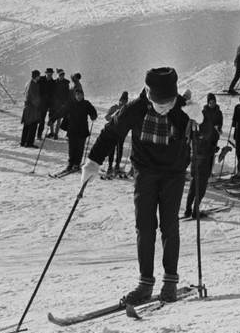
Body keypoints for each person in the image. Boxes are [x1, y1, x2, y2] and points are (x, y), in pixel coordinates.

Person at [82, 67, 194, 305]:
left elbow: (205, 137)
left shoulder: (183, 109)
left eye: (169, 103)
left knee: (169, 224)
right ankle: (145, 284)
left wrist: (201, 119)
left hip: (174, 173)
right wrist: (93, 161)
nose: (164, 108)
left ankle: (170, 282)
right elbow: (111, 133)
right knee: (144, 225)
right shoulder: (135, 109)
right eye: (159, 104)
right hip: (145, 171)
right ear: (147, 93)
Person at [184, 94, 224, 216]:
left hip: (194, 158)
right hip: (202, 160)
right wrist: (214, 149)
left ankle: (188, 209)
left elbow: (187, 137)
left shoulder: (192, 122)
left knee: (193, 184)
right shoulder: (205, 123)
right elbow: (212, 139)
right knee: (200, 187)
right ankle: (195, 210)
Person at [59, 89, 98, 173]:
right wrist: (52, 119)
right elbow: (61, 111)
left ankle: (77, 163)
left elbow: (93, 111)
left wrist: (93, 115)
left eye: (81, 95)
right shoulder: (70, 103)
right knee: (72, 148)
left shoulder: (86, 104)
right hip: (72, 129)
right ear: (74, 95)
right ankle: (70, 163)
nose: (79, 96)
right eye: (78, 95)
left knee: (80, 148)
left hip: (82, 129)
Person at [21, 70, 44, 146]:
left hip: (27, 107)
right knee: (33, 125)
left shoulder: (28, 83)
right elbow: (35, 98)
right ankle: (29, 142)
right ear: (37, 76)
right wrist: (38, 106)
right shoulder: (34, 85)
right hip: (32, 108)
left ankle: (23, 141)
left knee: (26, 125)